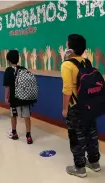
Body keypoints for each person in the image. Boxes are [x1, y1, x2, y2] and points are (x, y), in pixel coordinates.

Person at [61, 34, 101, 178]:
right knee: (91, 133)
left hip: (75, 107)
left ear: (70, 48)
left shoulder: (67, 64)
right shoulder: (87, 62)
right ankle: (94, 162)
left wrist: (65, 109)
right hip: (89, 105)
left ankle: (80, 168)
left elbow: (66, 89)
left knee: (76, 136)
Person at [3, 50, 33, 144]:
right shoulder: (24, 69)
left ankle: (14, 133)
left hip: (14, 98)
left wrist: (6, 97)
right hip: (24, 97)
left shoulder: (8, 71)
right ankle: (28, 136)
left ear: (8, 60)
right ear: (18, 59)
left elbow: (7, 86)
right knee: (26, 116)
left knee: (13, 115)